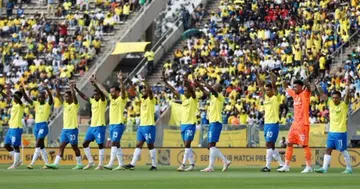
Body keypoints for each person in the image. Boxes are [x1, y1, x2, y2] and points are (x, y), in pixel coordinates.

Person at [315, 80, 352, 174]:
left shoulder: (344, 105)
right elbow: (323, 95)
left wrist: (347, 88)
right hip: (332, 132)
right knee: (328, 149)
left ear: (340, 98)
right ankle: (324, 168)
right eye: (333, 97)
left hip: (340, 132)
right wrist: (317, 86)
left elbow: (347, 97)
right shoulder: (330, 103)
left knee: (343, 150)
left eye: (336, 98)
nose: (334, 99)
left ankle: (349, 168)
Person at [194, 78, 231, 172]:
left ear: (217, 89)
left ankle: (219, 163)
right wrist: (198, 84)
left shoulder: (220, 97)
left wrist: (203, 82)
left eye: (214, 87)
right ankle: (216, 165)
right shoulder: (213, 97)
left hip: (216, 122)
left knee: (211, 145)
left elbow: (211, 89)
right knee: (211, 146)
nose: (212, 88)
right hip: (212, 122)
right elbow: (204, 90)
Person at [277, 78, 313, 173]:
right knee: (289, 143)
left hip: (303, 124)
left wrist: (306, 83)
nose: (294, 88)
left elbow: (308, 88)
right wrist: (282, 78)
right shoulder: (294, 95)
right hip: (295, 124)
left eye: (296, 87)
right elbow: (285, 87)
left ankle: (309, 166)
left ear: (301, 87)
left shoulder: (305, 94)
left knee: (304, 145)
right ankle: (286, 166)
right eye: (294, 87)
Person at [163, 73, 197, 172]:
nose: (184, 92)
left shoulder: (193, 99)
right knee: (187, 145)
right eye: (184, 91)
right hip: (183, 124)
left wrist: (191, 83)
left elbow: (193, 91)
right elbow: (174, 90)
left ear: (190, 92)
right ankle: (192, 165)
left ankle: (182, 165)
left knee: (186, 144)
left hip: (191, 124)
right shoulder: (183, 98)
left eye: (186, 91)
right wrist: (166, 82)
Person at [46, 80, 83, 170]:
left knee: (74, 147)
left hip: (72, 129)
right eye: (65, 96)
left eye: (67, 96)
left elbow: (75, 97)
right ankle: (56, 164)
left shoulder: (75, 105)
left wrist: (72, 88)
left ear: (71, 96)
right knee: (61, 146)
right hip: (65, 130)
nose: (65, 98)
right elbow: (58, 96)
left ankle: (79, 164)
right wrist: (56, 86)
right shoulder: (65, 104)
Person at [74, 75, 107, 170]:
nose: (95, 95)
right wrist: (75, 88)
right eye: (94, 94)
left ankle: (100, 164)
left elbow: (101, 94)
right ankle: (91, 162)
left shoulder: (103, 101)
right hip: (92, 127)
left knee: (100, 145)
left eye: (97, 94)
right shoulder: (93, 101)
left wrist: (95, 84)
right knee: (85, 144)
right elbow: (83, 96)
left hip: (100, 127)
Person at [97, 72, 128, 170]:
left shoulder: (122, 99)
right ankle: (121, 164)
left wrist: (121, 80)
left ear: (118, 92)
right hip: (112, 125)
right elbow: (102, 89)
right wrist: (95, 81)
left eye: (113, 92)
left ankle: (110, 164)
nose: (111, 93)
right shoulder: (111, 99)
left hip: (119, 124)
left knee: (114, 143)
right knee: (117, 144)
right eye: (110, 92)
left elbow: (123, 91)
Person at [124, 79, 157, 171]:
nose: (142, 91)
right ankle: (132, 164)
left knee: (150, 145)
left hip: (149, 126)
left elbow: (150, 91)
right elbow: (135, 92)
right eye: (142, 90)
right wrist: (129, 82)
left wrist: (145, 82)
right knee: (138, 144)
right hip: (142, 126)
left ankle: (154, 165)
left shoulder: (151, 99)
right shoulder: (142, 99)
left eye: (144, 90)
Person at [256, 71, 284, 172]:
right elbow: (260, 86)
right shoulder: (266, 98)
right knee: (271, 145)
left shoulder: (276, 98)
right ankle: (281, 164)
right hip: (267, 124)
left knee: (268, 144)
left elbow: (274, 87)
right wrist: (256, 75)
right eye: (266, 90)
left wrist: (272, 78)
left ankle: (267, 166)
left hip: (273, 124)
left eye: (269, 90)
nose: (267, 92)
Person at [22, 83, 53, 169]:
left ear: (44, 97)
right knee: (41, 146)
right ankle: (47, 164)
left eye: (41, 97)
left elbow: (51, 98)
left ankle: (32, 163)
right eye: (39, 97)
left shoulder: (47, 104)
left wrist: (47, 89)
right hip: (36, 126)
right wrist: (23, 91)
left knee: (38, 143)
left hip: (43, 126)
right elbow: (27, 99)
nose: (40, 98)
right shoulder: (36, 104)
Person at [0, 86, 24, 169]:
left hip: (17, 128)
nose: (13, 98)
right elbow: (7, 97)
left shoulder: (21, 105)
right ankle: (18, 160)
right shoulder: (14, 103)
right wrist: (1, 91)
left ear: (19, 98)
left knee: (16, 146)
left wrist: (14, 94)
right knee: (6, 145)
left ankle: (15, 164)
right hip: (11, 128)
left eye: (15, 97)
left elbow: (16, 98)